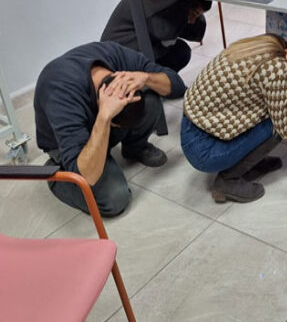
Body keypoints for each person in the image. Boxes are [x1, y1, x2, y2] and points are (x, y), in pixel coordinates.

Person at [34, 42, 186, 216]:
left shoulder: (116, 57)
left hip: (97, 121)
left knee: (151, 99)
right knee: (115, 199)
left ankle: (134, 149)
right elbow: (86, 176)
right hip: (66, 145)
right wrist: (104, 117)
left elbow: (177, 85)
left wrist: (146, 78)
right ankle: (59, 178)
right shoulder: (62, 93)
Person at [181, 34, 287, 203]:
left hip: (194, 131)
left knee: (276, 111)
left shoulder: (276, 47)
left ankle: (248, 163)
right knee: (279, 124)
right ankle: (227, 180)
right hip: (202, 150)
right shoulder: (279, 73)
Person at [101, 0, 211, 72]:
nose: (192, 20)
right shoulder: (160, 7)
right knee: (180, 53)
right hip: (119, 56)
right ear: (187, 4)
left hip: (125, 47)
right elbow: (161, 40)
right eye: (194, 14)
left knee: (181, 50)